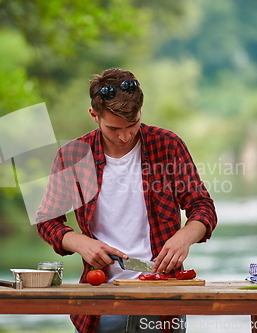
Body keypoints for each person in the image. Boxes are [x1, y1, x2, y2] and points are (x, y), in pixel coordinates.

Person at [36, 68, 217, 333]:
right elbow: (46, 221)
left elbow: (203, 206)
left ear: (141, 112)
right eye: (113, 128)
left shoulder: (167, 145)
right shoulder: (73, 155)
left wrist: (186, 236)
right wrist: (81, 243)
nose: (124, 136)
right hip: (99, 303)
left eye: (132, 125)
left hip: (163, 303)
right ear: (93, 115)